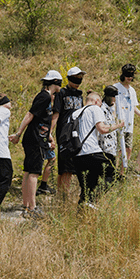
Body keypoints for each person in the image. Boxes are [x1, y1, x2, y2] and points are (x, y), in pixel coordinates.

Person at [10, 70, 63, 218]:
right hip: (35, 139)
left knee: (28, 171)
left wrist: (49, 138)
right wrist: (18, 133)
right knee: (34, 172)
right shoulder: (44, 96)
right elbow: (30, 114)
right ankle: (32, 207)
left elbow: (40, 121)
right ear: (56, 83)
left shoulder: (45, 96)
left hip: (36, 138)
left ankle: (26, 205)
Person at [74, 91, 124, 208]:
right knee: (114, 174)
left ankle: (83, 213)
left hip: (77, 155)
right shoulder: (95, 109)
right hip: (92, 152)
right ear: (97, 101)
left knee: (86, 187)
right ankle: (93, 199)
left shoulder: (75, 113)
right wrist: (118, 125)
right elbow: (102, 129)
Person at [52, 67, 86, 202]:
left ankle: (61, 196)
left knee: (68, 167)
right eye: (75, 79)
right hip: (65, 134)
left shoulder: (79, 95)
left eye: (80, 79)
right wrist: (50, 132)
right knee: (66, 168)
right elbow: (56, 113)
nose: (78, 82)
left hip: (75, 133)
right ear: (68, 78)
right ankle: (64, 197)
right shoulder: (62, 94)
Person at [114, 64, 140, 171]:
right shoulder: (116, 87)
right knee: (118, 149)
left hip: (129, 124)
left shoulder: (132, 91)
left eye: (131, 75)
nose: (129, 78)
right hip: (118, 124)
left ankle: (122, 172)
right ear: (123, 75)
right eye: (127, 75)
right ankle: (114, 171)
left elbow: (134, 108)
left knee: (128, 148)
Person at [100, 86, 122, 185]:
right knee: (107, 176)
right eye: (113, 97)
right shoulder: (101, 109)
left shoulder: (111, 108)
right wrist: (118, 125)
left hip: (112, 147)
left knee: (111, 175)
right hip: (104, 148)